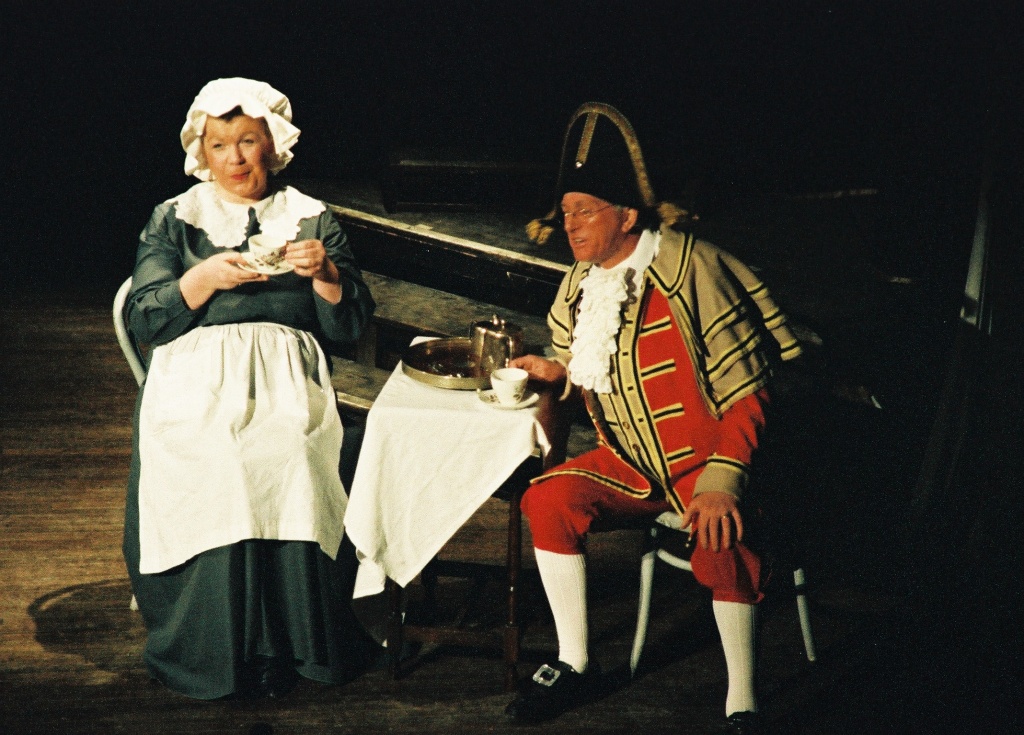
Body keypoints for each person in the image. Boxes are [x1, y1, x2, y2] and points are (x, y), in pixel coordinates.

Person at [504, 103, 802, 734]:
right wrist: (556, 372)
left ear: (627, 215)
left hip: (708, 461)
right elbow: (585, 363)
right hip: (634, 463)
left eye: (585, 211)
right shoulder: (581, 282)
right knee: (547, 500)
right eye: (565, 213)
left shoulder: (692, 270)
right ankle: (575, 661)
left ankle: (743, 698)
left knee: (721, 536)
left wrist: (723, 481)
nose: (570, 225)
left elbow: (749, 390)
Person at [121, 77, 378, 700]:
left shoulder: (311, 218)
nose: (234, 158)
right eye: (219, 145)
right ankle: (219, 648)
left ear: (273, 145)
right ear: (201, 152)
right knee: (220, 454)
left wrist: (326, 274)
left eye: (247, 141)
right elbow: (146, 316)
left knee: (292, 449)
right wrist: (204, 277)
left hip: (287, 373)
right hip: (194, 373)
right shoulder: (175, 217)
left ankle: (292, 643)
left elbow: (350, 326)